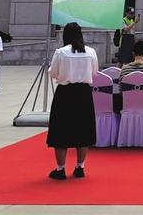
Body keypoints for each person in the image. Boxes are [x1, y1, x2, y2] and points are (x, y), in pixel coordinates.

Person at [47, 22, 98, 180]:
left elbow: (53, 73)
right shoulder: (90, 51)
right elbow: (94, 72)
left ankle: (60, 168)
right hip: (83, 92)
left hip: (65, 92)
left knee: (60, 130)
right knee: (83, 129)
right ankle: (80, 166)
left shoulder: (61, 52)